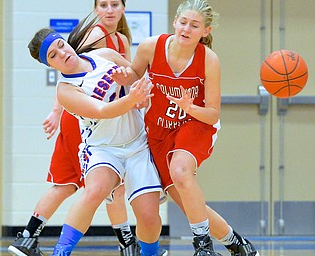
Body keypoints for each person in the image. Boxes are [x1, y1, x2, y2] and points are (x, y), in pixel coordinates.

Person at [8, 1, 161, 256]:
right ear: (50, 65)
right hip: (103, 149)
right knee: (95, 190)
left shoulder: (105, 55)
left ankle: (147, 252)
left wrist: (136, 88)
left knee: (147, 215)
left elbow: (138, 80)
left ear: (67, 42)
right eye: (53, 56)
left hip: (136, 143)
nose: (62, 54)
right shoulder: (66, 90)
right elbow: (102, 111)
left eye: (61, 46)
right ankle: (61, 251)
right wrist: (132, 99)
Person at [111, 0, 260, 256]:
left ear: (206, 31)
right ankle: (237, 243)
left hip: (195, 123)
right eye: (183, 22)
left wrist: (189, 107)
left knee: (180, 171)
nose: (186, 29)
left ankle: (203, 246)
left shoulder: (208, 60)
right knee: (185, 200)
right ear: (174, 22)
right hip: (158, 129)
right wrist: (126, 78)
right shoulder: (150, 46)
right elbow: (134, 74)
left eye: (194, 25)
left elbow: (212, 115)